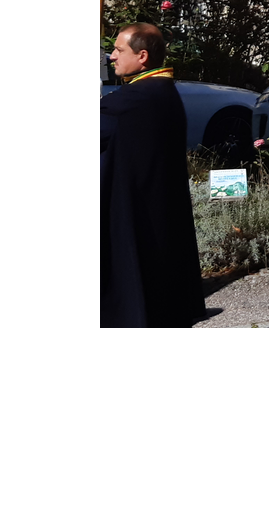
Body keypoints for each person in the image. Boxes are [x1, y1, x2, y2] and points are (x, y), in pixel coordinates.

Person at [100, 23, 205, 328]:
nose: (112, 57)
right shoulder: (162, 90)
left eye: (119, 50)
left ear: (142, 55)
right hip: (157, 212)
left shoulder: (137, 99)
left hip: (134, 215)